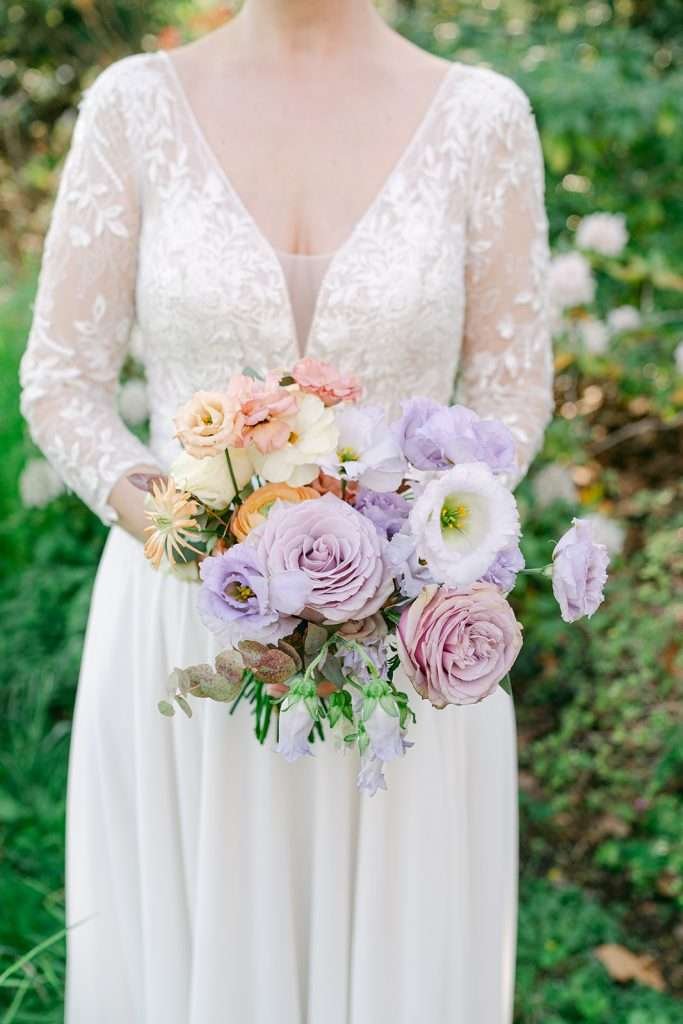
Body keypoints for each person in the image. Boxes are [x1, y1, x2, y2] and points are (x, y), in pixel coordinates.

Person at [19, 1, 553, 1020]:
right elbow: (60, 379)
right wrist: (181, 527)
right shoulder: (134, 107)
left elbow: (511, 389)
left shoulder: (482, 118)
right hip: (189, 627)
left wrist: (422, 538)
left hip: (403, 645)